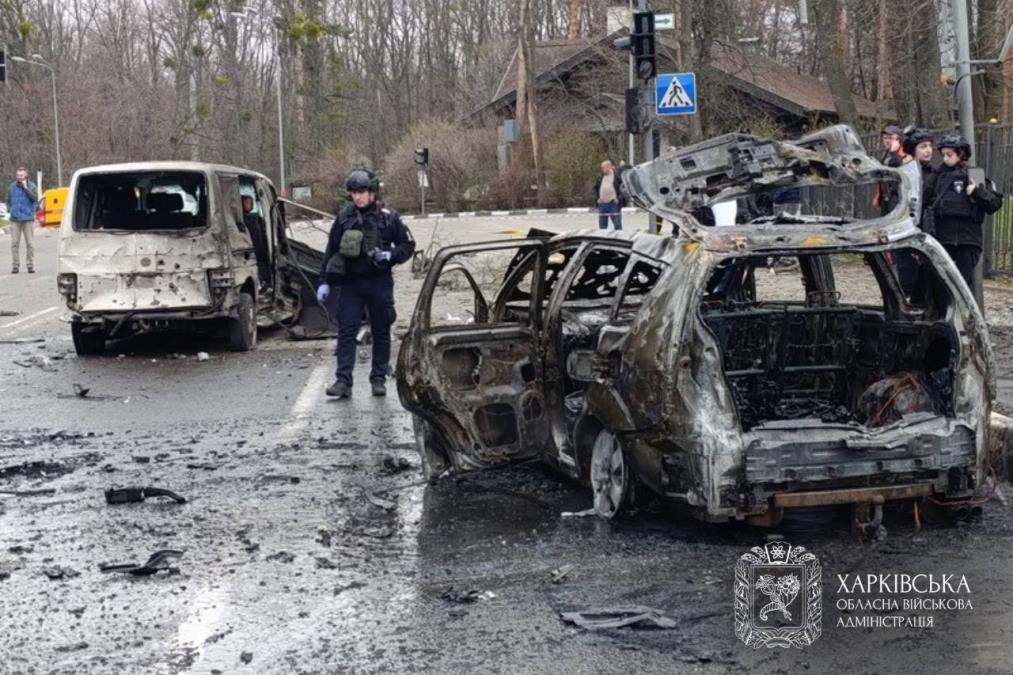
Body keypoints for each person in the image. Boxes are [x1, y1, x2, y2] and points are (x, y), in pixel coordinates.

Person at [317, 170, 415, 398]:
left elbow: (407, 245)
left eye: (361, 191)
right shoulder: (344, 218)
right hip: (351, 283)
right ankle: (343, 381)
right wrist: (324, 281)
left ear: (372, 192)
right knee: (346, 331)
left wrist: (390, 255)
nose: (358, 197)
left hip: (379, 282)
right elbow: (331, 251)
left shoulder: (388, 218)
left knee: (381, 330)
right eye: (354, 193)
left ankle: (378, 379)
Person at [922, 134, 1003, 298]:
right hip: (942, 239)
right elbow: (923, 205)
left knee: (962, 286)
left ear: (961, 154)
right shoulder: (935, 177)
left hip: (968, 240)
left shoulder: (974, 174)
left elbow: (994, 204)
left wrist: (977, 192)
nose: (945, 158)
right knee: (940, 284)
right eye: (943, 154)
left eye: (949, 154)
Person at [6, 167, 38, 273]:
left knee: (30, 243)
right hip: (15, 219)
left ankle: (30, 265)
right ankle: (15, 266)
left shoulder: (32, 186)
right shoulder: (12, 186)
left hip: (28, 219)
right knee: (14, 243)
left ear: (26, 175)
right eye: (18, 175)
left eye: (21, 175)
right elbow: (8, 200)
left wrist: (25, 188)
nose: (19, 177)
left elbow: (35, 198)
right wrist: (10, 209)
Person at [241, 195, 271, 292]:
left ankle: (265, 283)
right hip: (248, 248)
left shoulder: (257, 218)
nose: (248, 205)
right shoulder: (240, 220)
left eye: (250, 202)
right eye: (246, 202)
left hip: (260, 247)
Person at [875, 125, 907, 216]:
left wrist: (893, 152)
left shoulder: (903, 154)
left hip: (898, 198)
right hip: (886, 198)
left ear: (898, 140)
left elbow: (898, 167)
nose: (887, 141)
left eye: (891, 138)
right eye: (885, 138)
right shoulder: (885, 155)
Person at [593, 160, 624, 230]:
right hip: (602, 204)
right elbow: (595, 188)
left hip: (613, 203)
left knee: (617, 224)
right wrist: (597, 198)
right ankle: (603, 237)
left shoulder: (617, 176)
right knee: (602, 226)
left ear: (609, 167)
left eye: (603, 168)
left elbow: (623, 188)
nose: (602, 169)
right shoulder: (600, 176)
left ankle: (618, 236)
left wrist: (619, 198)